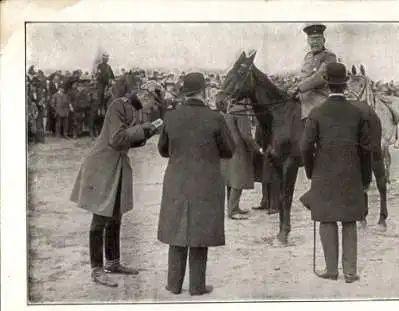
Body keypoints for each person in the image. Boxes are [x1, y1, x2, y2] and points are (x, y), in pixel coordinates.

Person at [157, 72, 235, 296]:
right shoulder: (215, 117)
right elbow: (229, 150)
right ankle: (197, 286)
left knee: (177, 231)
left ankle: (173, 284)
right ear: (204, 91)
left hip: (177, 180)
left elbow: (163, 150)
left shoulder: (171, 116)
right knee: (200, 233)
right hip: (206, 180)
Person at [70, 92, 158, 287]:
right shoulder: (118, 105)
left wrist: (146, 134)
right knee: (101, 216)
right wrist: (142, 128)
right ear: (145, 95)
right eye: (153, 102)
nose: (153, 108)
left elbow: (129, 141)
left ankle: (112, 263)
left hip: (117, 165)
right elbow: (117, 139)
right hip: (102, 165)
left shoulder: (136, 111)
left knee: (116, 214)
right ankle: (96, 269)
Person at [299, 62, 376, 284]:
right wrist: (365, 178)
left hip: (323, 173)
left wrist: (312, 171)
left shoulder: (316, 113)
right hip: (352, 174)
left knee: (326, 219)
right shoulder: (357, 112)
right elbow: (366, 148)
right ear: (345, 85)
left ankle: (331, 270)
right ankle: (350, 272)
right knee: (350, 221)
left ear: (327, 84)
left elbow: (305, 147)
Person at [221, 98, 262, 219]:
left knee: (230, 179)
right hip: (240, 149)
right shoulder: (241, 111)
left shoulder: (230, 109)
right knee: (238, 179)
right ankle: (232, 211)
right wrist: (257, 148)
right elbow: (246, 135)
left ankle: (232, 206)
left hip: (230, 146)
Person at [288, 23, 338, 120]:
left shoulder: (329, 56)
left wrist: (299, 87)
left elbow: (320, 77)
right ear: (308, 41)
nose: (314, 42)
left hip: (319, 98)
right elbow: (303, 76)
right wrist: (291, 87)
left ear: (323, 40)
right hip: (303, 98)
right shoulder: (308, 56)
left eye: (317, 38)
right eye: (311, 39)